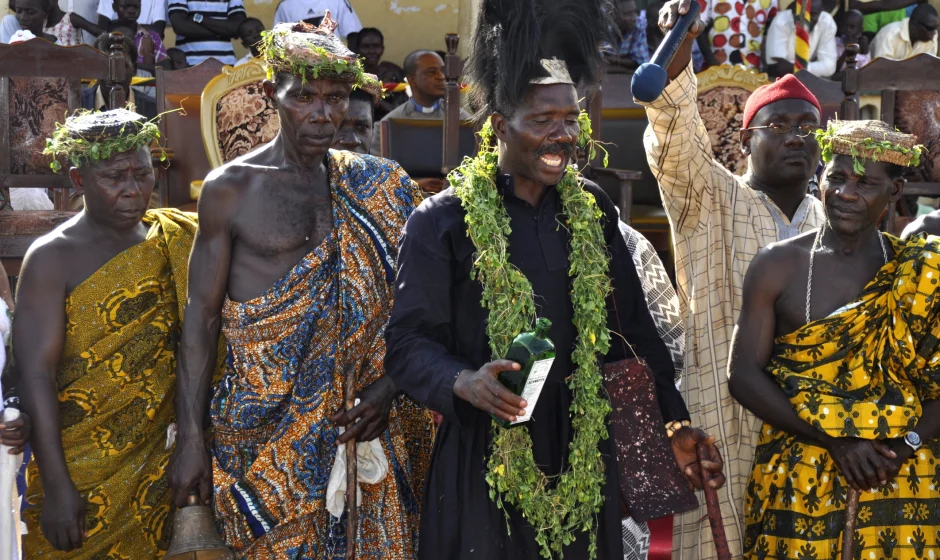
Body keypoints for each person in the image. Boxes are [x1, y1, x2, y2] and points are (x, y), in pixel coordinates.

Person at [384, 0, 725, 558]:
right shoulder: (441, 220)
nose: (562, 135)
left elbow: (634, 335)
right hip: (485, 457)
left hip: (584, 455)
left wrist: (673, 424)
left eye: (570, 120)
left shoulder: (590, 209)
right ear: (500, 125)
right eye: (542, 121)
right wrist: (465, 381)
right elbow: (407, 343)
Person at [167, 17, 434, 558]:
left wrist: (391, 386)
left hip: (362, 418)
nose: (322, 114)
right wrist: (191, 438)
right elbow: (201, 318)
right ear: (272, 94)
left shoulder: (377, 185)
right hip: (259, 424)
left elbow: (417, 307)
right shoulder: (231, 190)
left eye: (335, 98)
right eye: (304, 96)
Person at [641, 1, 827, 557]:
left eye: (808, 128)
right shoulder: (712, 197)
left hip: (803, 431)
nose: (796, 137)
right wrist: (682, 38)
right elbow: (674, 130)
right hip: (718, 417)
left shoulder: (831, 224)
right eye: (779, 126)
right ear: (745, 141)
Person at [727, 120, 940, 558]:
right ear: (820, 177)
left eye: (866, 183)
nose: (846, 193)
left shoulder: (918, 273)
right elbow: (743, 374)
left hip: (898, 476)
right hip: (799, 469)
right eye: (837, 178)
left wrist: (902, 448)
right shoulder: (776, 265)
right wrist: (835, 443)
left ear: (895, 191)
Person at [13, 108, 195, 558]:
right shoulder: (52, 258)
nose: (134, 191)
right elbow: (34, 373)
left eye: (143, 174)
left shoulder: (172, 235)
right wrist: (56, 485)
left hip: (159, 455)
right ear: (78, 181)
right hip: (78, 464)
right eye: (115, 178)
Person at [370, 49, 472, 194]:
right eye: (431, 72)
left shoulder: (463, 121)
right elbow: (377, 175)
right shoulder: (388, 124)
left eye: (442, 71)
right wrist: (413, 184)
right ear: (411, 79)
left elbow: (474, 167)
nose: (441, 77)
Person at [82, 33, 157, 119]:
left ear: (134, 69)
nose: (113, 75)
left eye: (119, 66)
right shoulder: (77, 104)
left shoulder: (153, 109)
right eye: (105, 65)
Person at [765, 0, 838, 79]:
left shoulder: (826, 21)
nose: (808, 19)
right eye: (804, 14)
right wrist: (814, 67)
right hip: (781, 79)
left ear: (821, 11)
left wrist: (796, 67)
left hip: (809, 78)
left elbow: (830, 67)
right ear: (794, 10)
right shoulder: (780, 22)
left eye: (814, 14)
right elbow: (777, 68)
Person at [167, 0, 244, 66]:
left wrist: (201, 19)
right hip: (189, 66)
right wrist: (224, 30)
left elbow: (239, 27)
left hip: (226, 66)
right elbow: (180, 26)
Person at [699, 0, 769, 68]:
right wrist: (711, 61)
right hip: (718, 67)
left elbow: (773, 26)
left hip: (753, 68)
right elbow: (698, 27)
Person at [356, 27, 405, 120]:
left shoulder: (392, 73)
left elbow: (401, 112)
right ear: (357, 49)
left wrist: (377, 101)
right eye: (366, 47)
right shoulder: (351, 75)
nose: (371, 51)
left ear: (382, 49)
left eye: (376, 46)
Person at [870, 3, 939, 60]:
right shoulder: (890, 34)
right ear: (915, 25)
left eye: (935, 28)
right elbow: (880, 69)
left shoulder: (932, 37)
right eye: (929, 28)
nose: (934, 33)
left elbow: (928, 68)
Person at [603, 0, 650, 72]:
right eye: (627, 14)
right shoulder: (601, 29)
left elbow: (641, 63)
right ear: (612, 15)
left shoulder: (638, 25)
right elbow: (595, 64)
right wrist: (627, 67)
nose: (634, 17)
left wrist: (610, 59)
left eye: (634, 12)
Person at [332, 87, 380, 154]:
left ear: (372, 129)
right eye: (338, 127)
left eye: (362, 127)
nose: (352, 141)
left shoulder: (389, 164)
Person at [272, 0, 361, 36]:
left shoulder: (337, 1)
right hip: (298, 66)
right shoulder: (285, 6)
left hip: (333, 63)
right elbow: (278, 39)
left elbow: (353, 35)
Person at [97, 0, 166, 38]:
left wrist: (119, 26)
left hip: (145, 48)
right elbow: (102, 29)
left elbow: (158, 31)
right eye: (125, 6)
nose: (131, 11)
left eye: (136, 6)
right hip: (114, 47)